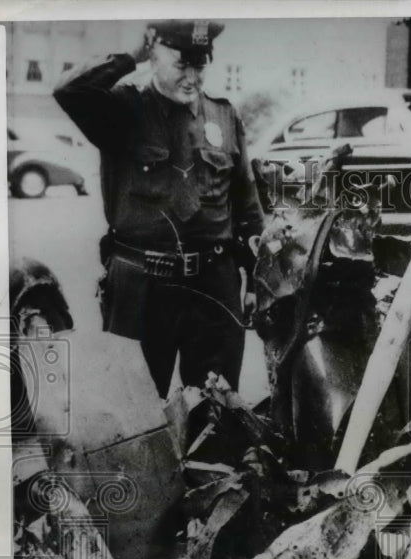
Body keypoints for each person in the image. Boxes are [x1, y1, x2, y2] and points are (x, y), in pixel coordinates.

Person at [54, 20, 264, 398]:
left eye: (200, 66)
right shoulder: (122, 108)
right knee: (137, 419)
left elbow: (246, 203)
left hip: (214, 288)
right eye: (181, 65)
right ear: (154, 54)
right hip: (141, 288)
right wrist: (131, 55)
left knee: (218, 416)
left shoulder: (223, 115)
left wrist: (255, 280)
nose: (192, 78)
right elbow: (69, 90)